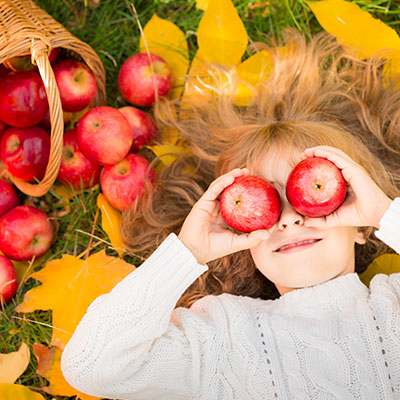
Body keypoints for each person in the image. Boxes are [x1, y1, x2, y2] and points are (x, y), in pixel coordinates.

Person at [61, 30, 400, 399]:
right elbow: (93, 367)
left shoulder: (392, 303)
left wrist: (384, 213)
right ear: (242, 238)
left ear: (361, 226)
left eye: (310, 196)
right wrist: (187, 253)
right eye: (268, 202)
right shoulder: (224, 336)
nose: (288, 219)